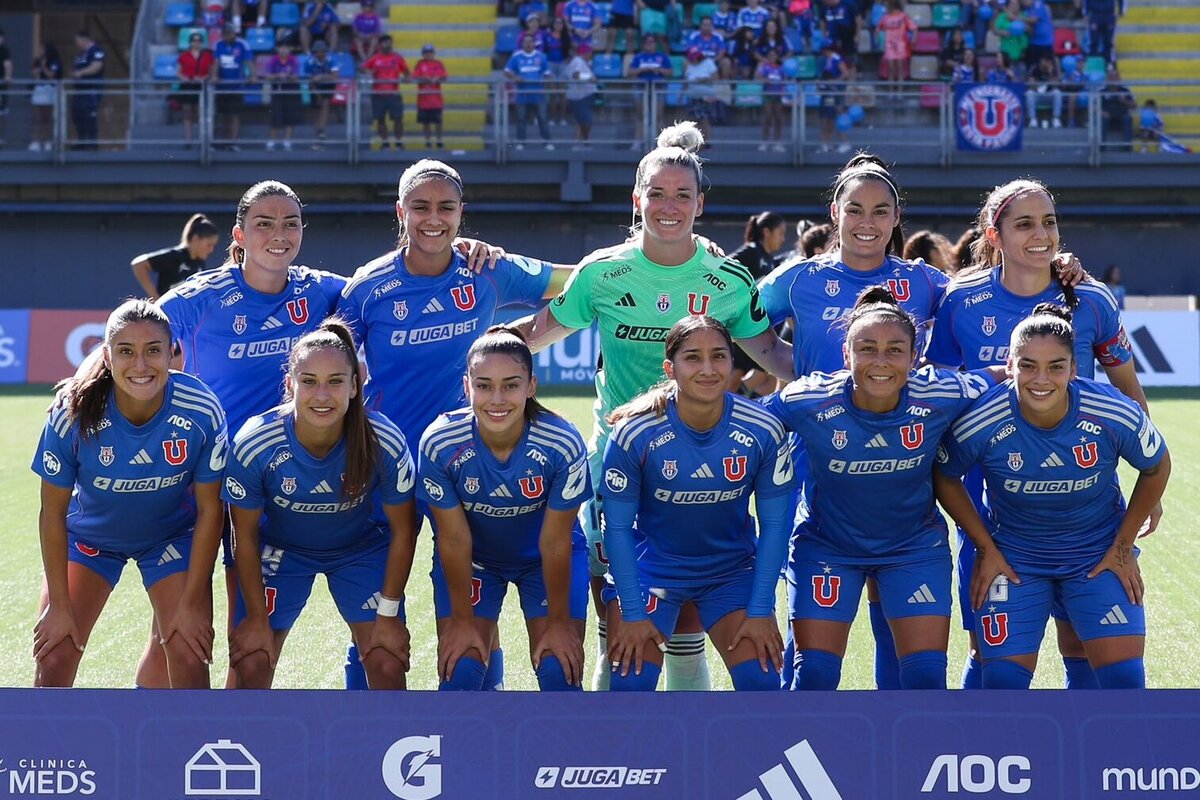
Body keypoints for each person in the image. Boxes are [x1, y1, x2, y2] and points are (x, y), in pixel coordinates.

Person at [515, 122, 796, 691]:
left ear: (700, 203)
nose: (670, 207)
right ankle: (615, 728)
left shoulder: (727, 279)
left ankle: (685, 736)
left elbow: (771, 353)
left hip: (704, 462)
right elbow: (535, 336)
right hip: (619, 463)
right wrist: (472, 352)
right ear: (636, 199)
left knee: (688, 621)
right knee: (619, 623)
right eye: (658, 194)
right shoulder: (602, 273)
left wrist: (857, 377)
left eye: (682, 195)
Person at [339, 160, 562, 690]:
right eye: (420, 207)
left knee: (477, 593)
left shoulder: (488, 269)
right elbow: (333, 362)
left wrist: (673, 247)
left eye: (446, 207)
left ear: (463, 213)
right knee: (373, 605)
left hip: (469, 462)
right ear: (400, 212)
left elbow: (579, 281)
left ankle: (485, 699)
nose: (433, 218)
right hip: (385, 464)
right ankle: (367, 712)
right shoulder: (367, 288)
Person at [925, 177, 1150, 690]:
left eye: (1049, 222)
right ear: (994, 234)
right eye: (1024, 224)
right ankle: (984, 738)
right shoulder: (962, 300)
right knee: (988, 646)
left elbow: (1128, 391)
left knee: (1082, 641)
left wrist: (1148, 485)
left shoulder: (1089, 298)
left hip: (1082, 499)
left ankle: (1084, 744)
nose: (1041, 235)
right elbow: (939, 393)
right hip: (986, 499)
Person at [758, 154, 951, 689]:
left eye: (881, 210)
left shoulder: (925, 282)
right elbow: (737, 321)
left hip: (899, 464)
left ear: (897, 218)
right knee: (811, 637)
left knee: (898, 619)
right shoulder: (799, 278)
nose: (868, 222)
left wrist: (1061, 270)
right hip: (815, 464)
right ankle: (801, 719)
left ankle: (897, 724)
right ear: (835, 213)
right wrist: (789, 367)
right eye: (855, 209)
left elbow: (988, 299)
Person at [156, 181, 349, 687]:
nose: (279, 234)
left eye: (290, 223)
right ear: (239, 235)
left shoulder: (321, 290)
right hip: (202, 481)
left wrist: (460, 252)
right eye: (264, 224)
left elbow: (383, 288)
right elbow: (130, 331)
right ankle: (157, 727)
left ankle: (238, 720)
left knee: (251, 632)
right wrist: (82, 385)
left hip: (273, 483)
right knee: (179, 628)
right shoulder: (202, 297)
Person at [761, 288, 996, 690]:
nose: (881, 361)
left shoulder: (941, 392)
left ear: (915, 356)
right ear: (846, 355)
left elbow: (1006, 377)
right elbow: (744, 422)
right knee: (814, 675)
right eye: (867, 349)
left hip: (913, 546)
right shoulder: (810, 398)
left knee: (925, 678)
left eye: (895, 350)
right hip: (827, 545)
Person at [934, 304, 1169, 689]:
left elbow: (1157, 466)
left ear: (1074, 369)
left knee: (1123, 682)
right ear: (1009, 365)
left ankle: (1089, 732)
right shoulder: (982, 418)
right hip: (1015, 557)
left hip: (1096, 551)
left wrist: (1122, 547)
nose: (1041, 379)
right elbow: (945, 476)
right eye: (1027, 366)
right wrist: (985, 547)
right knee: (1002, 682)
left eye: (1056, 367)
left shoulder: (1111, 411)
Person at [31, 300, 226, 688]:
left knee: (188, 651)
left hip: (171, 538)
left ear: (171, 353)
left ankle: (157, 725)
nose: (140, 365)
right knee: (55, 654)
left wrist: (191, 604)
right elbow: (52, 513)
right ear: (106, 356)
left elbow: (211, 510)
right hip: (90, 540)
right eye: (125, 351)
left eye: (153, 350)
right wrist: (59, 607)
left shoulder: (201, 410)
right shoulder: (72, 412)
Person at [602, 316, 795, 691]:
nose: (708, 369)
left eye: (718, 356)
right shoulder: (635, 432)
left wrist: (760, 610)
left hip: (730, 573)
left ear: (732, 362)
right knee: (631, 684)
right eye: (693, 357)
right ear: (670, 368)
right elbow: (618, 530)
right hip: (651, 574)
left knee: (762, 682)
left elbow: (775, 527)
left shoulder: (762, 429)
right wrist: (633, 612)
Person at [225, 321, 417, 689]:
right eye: (309, 381)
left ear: (355, 385)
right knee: (252, 660)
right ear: (290, 385)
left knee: (387, 661)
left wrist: (389, 614)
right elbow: (243, 535)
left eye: (335, 381)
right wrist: (256, 619)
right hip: (282, 552)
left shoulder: (384, 439)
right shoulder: (256, 442)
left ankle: (380, 729)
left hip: (360, 550)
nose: (322, 395)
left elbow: (404, 531)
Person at [418, 327, 592, 691]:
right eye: (484, 386)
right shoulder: (440, 442)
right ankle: (490, 691)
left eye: (511, 385)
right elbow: (453, 539)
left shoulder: (561, 442)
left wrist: (559, 623)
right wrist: (461, 620)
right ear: (467, 387)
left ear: (531, 386)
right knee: (460, 672)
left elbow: (555, 541)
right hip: (476, 560)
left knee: (559, 671)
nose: (497, 399)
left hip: (546, 559)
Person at [131, 214, 221, 300]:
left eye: (213, 246)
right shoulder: (175, 256)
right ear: (196, 238)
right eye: (209, 244)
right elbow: (138, 264)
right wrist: (154, 296)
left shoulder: (199, 263)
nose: (211, 250)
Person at [505, 33, 554, 150]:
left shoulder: (541, 56)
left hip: (538, 93)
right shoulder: (516, 56)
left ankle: (546, 141)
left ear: (534, 43)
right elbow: (506, 71)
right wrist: (515, 77)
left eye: (530, 42)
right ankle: (521, 142)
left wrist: (547, 83)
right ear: (522, 44)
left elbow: (547, 73)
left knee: (543, 118)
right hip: (522, 94)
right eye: (525, 42)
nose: (528, 44)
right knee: (521, 118)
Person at [362, 35, 410, 150]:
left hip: (394, 93)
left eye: (389, 43)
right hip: (378, 94)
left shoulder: (397, 58)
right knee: (380, 119)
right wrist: (369, 72)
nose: (388, 45)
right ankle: (385, 143)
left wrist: (406, 77)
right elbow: (363, 68)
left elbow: (407, 72)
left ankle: (399, 142)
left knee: (398, 119)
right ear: (380, 45)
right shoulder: (375, 58)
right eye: (385, 43)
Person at [625, 35, 672, 150]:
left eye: (652, 42)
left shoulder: (662, 57)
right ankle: (638, 141)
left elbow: (670, 72)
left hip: (658, 88)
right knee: (640, 116)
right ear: (643, 44)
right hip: (641, 88)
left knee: (659, 116)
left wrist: (659, 70)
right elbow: (630, 72)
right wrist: (641, 70)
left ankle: (662, 144)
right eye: (647, 42)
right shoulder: (639, 57)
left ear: (655, 44)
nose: (649, 44)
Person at [212, 24, 252, 151]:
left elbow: (248, 61)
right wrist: (214, 75)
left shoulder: (243, 44)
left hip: (237, 86)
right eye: (229, 34)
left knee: (235, 115)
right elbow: (216, 62)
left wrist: (253, 75)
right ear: (224, 35)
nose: (232, 35)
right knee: (222, 115)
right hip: (221, 87)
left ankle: (232, 142)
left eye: (233, 33)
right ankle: (220, 142)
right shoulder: (218, 45)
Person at [263, 39, 303, 150]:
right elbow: (267, 76)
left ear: (289, 49)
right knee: (275, 115)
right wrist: (278, 75)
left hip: (291, 92)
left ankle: (287, 140)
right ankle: (273, 140)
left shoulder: (294, 60)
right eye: (282, 48)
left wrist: (288, 76)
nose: (284, 50)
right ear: (278, 49)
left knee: (290, 116)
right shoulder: (273, 60)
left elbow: (296, 76)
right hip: (276, 92)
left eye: (286, 48)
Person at [176, 32, 214, 147]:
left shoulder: (207, 56)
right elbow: (178, 72)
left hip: (201, 85)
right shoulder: (184, 56)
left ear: (201, 42)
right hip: (187, 86)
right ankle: (188, 140)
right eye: (194, 40)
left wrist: (203, 78)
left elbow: (211, 73)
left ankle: (201, 140)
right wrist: (185, 79)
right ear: (190, 42)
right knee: (187, 113)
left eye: (198, 40)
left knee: (199, 112)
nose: (196, 43)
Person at [70, 31, 106, 150]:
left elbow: (96, 67)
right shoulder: (80, 54)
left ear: (84, 39)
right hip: (79, 90)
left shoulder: (96, 50)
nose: (76, 43)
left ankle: (91, 143)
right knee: (77, 115)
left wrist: (81, 73)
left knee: (89, 115)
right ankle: (82, 141)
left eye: (77, 40)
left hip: (90, 89)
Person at [304, 39, 339, 148]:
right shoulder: (309, 62)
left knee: (325, 103)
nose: (320, 54)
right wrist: (316, 92)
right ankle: (318, 132)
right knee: (315, 109)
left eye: (322, 51)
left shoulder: (331, 60)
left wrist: (321, 77)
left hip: (328, 85)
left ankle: (322, 130)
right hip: (314, 86)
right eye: (318, 51)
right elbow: (309, 79)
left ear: (325, 52)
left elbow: (335, 76)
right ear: (314, 52)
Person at [30, 42, 63, 153]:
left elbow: (51, 75)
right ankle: (36, 141)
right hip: (39, 89)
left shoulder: (55, 61)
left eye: (42, 49)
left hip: (49, 90)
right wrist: (38, 64)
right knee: (37, 118)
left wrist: (44, 67)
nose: (40, 51)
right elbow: (34, 72)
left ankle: (47, 141)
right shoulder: (38, 60)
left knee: (47, 118)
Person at [413, 44, 448, 150]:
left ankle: (439, 141)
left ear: (433, 53)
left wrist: (437, 78)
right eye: (426, 53)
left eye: (430, 52)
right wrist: (424, 78)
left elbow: (444, 76)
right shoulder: (419, 64)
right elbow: (415, 76)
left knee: (438, 122)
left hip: (436, 100)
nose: (428, 55)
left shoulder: (438, 64)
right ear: (423, 54)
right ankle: (428, 142)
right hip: (423, 100)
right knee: (426, 123)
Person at [684, 46, 721, 142]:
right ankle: (697, 142)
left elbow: (716, 78)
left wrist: (704, 80)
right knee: (694, 120)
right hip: (693, 96)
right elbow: (686, 80)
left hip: (706, 96)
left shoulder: (708, 63)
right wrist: (681, 94)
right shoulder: (689, 65)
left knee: (704, 120)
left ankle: (706, 141)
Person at [564, 42, 598, 147]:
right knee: (586, 120)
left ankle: (580, 141)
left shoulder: (582, 62)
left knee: (581, 121)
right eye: (590, 52)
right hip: (580, 96)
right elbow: (576, 75)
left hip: (583, 95)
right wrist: (589, 78)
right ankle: (585, 140)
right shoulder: (578, 61)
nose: (591, 54)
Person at [877, 0, 916, 87]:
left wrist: (913, 40)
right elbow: (879, 28)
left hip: (901, 45)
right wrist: (879, 41)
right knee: (890, 68)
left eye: (887, 5)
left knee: (900, 68)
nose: (886, 7)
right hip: (889, 45)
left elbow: (914, 28)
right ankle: (891, 91)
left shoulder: (903, 16)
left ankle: (900, 91)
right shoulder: (885, 17)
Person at [756, 48, 787, 150]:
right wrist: (765, 80)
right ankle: (764, 142)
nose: (772, 57)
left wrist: (784, 93)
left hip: (778, 95)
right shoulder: (765, 67)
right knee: (767, 117)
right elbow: (758, 78)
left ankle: (778, 142)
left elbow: (785, 80)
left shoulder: (781, 68)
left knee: (778, 118)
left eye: (774, 55)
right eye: (770, 55)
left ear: (777, 57)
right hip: (768, 94)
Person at [0, 28, 12, 147]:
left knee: (1, 112)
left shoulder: (4, 51)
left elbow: (7, 64)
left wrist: (8, 76)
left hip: (1, 86)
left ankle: (1, 137)